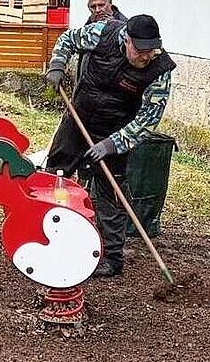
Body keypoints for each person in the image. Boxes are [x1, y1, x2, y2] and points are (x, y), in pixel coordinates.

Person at [43, 14, 176, 277]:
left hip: (116, 130)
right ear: (126, 40)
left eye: (151, 51)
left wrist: (113, 144)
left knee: (112, 192)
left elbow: (148, 120)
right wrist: (58, 63)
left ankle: (112, 257)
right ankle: (44, 231)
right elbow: (69, 38)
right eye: (140, 51)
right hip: (79, 117)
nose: (146, 57)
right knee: (54, 175)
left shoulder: (160, 71)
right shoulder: (102, 33)